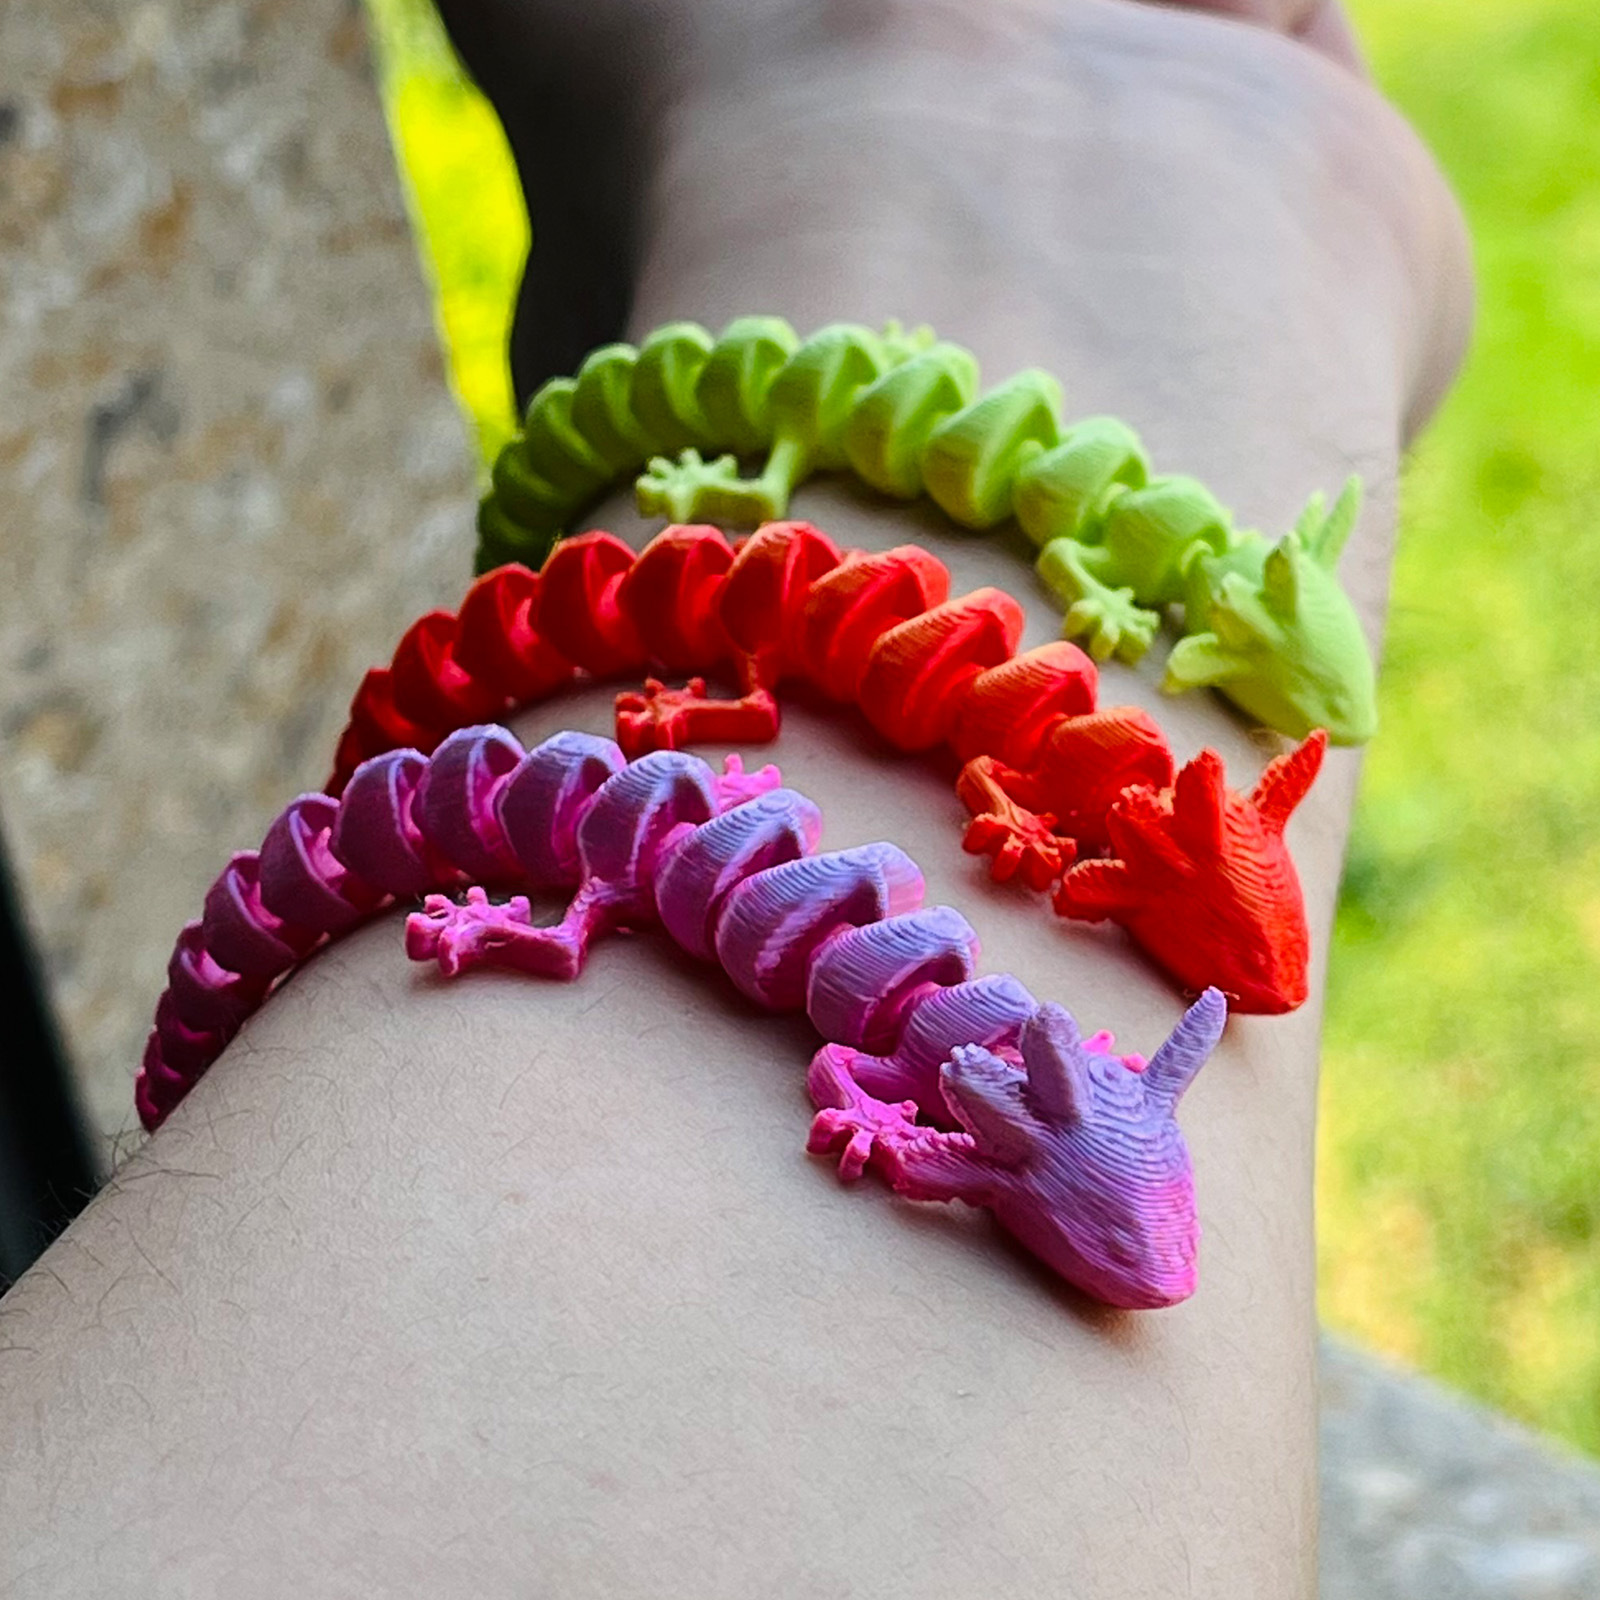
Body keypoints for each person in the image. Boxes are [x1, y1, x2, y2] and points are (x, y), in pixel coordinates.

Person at [0, 1, 1470, 1592]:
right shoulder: (969, 1040)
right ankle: (1161, 228)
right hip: (684, 831)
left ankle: (974, 182)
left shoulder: (984, 1064)